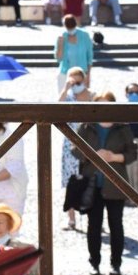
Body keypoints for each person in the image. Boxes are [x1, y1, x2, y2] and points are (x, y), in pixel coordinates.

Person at [74, 92, 136, 275]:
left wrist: (112, 157)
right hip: (92, 185)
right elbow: (75, 150)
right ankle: (94, 262)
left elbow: (132, 154)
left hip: (115, 185)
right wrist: (92, 155)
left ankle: (116, 264)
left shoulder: (122, 128)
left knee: (116, 225)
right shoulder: (87, 126)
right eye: (99, 105)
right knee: (94, 226)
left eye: (107, 105)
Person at [59, 68, 94, 229]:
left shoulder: (92, 96)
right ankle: (71, 218)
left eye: (78, 82)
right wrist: (66, 89)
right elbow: (55, 108)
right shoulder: (68, 96)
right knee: (71, 182)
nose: (76, 85)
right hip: (69, 144)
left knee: (90, 181)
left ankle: (92, 217)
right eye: (72, 81)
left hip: (89, 142)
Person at [54, 14, 94, 90]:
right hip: (65, 73)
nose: (70, 30)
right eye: (68, 28)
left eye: (72, 27)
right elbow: (58, 59)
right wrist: (60, 45)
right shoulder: (62, 36)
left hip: (81, 74)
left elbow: (90, 57)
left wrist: (88, 75)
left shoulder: (84, 35)